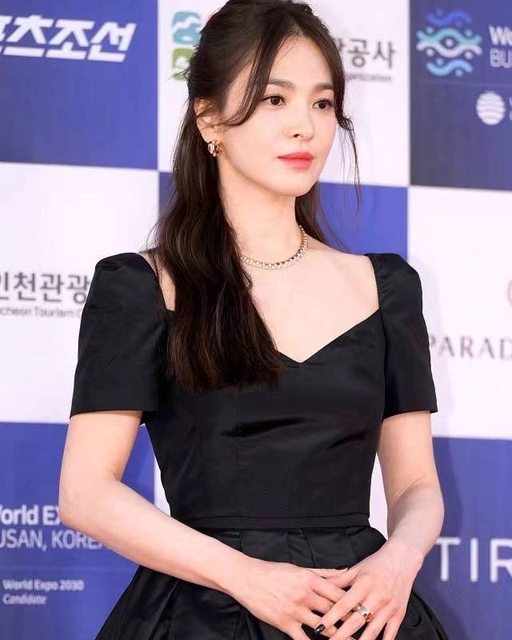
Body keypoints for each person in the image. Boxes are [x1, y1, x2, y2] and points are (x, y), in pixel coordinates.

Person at [58, 0, 450, 638]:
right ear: (209, 118)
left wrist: (398, 562)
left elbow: (416, 486)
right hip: (203, 612)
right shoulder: (142, 286)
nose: (305, 127)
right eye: (274, 99)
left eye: (322, 104)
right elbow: (85, 493)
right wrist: (246, 576)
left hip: (360, 611)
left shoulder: (387, 288)